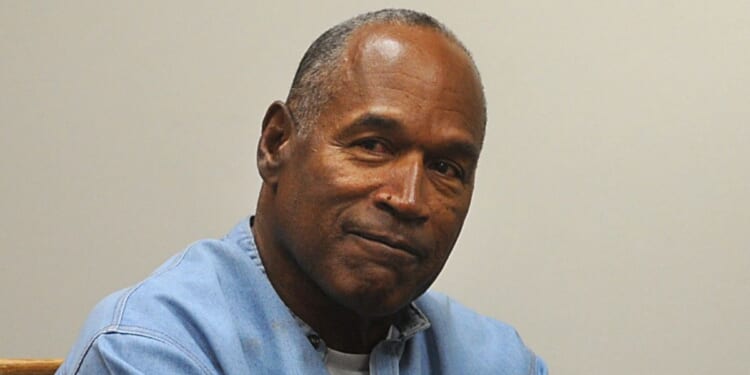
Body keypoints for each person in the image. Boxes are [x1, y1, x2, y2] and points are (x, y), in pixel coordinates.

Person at [57, 9, 547, 375]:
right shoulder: (152, 349)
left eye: (445, 168)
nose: (408, 199)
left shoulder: (495, 361)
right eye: (373, 145)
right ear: (276, 144)